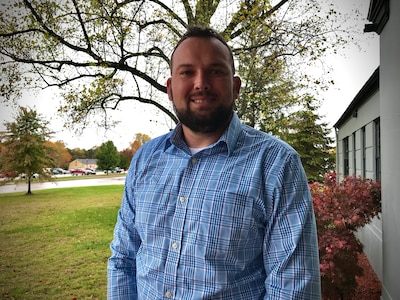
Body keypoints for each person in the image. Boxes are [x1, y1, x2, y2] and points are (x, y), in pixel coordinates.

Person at [107, 26, 321, 299]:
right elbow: (123, 258)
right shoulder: (145, 159)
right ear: (170, 88)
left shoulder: (277, 164)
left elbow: (293, 288)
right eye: (187, 72)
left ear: (236, 86)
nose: (201, 83)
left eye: (215, 71)